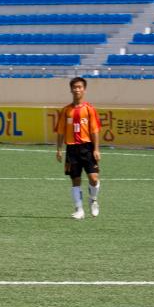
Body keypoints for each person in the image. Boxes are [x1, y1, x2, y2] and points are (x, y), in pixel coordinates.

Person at [55, 76, 102, 220]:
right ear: (71, 90)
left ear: (84, 90)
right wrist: (59, 149)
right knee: (75, 180)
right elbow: (61, 131)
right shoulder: (65, 110)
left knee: (94, 178)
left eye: (80, 87)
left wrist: (96, 149)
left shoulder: (89, 109)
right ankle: (79, 209)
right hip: (72, 149)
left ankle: (93, 200)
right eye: (74, 87)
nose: (77, 89)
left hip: (87, 147)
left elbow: (94, 130)